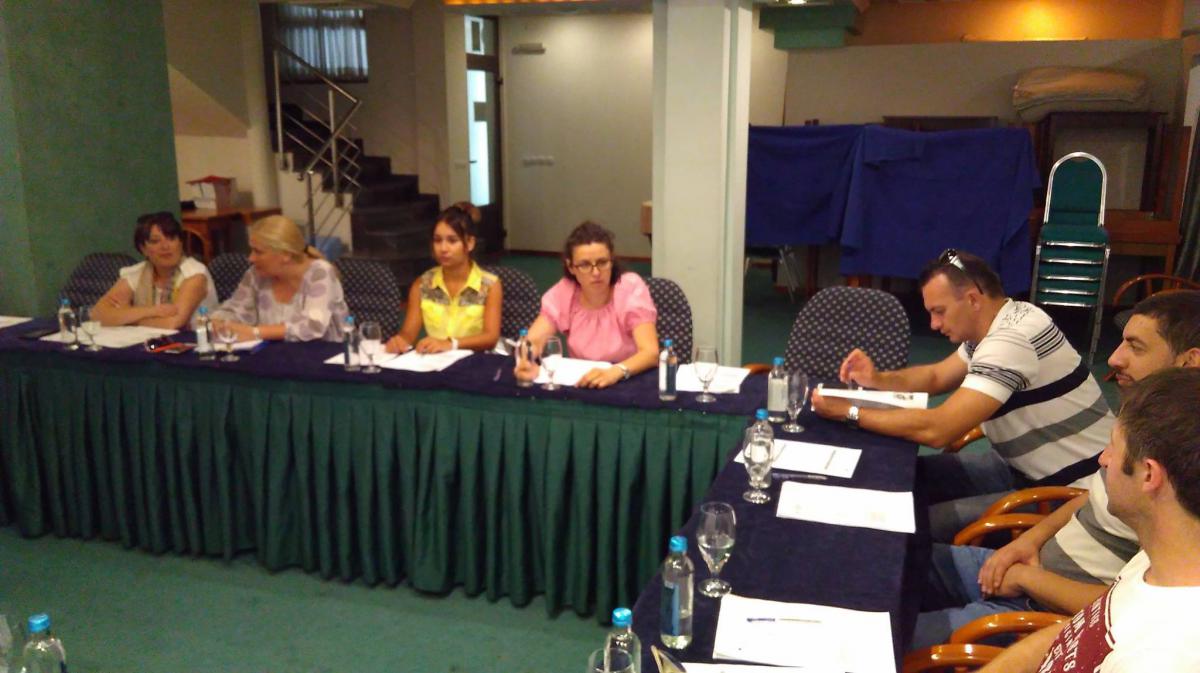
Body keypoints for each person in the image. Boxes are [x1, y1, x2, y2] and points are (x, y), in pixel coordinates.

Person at [911, 290, 1200, 650]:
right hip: (1033, 565)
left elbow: (1133, 609)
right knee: (888, 559)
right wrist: (1031, 541)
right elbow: (1091, 496)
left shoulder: (1181, 475)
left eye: (1136, 347)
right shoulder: (1146, 419)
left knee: (882, 640)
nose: (1113, 358)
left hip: (1039, 614)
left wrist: (1028, 580)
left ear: (1190, 361)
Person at [811, 249, 1113, 542]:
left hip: (1072, 493)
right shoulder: (1007, 319)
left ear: (972, 299)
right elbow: (937, 376)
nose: (934, 324)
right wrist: (877, 379)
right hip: (1023, 467)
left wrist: (849, 412)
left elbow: (937, 430)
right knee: (900, 476)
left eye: (939, 311)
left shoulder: (1010, 341)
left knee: (914, 525)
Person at [975, 368, 1200, 673]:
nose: (1103, 459)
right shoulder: (1160, 556)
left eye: (1113, 447)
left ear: (1149, 475)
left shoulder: (1161, 658)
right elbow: (1076, 634)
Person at [514, 221, 659, 388]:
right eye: (584, 265)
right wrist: (526, 360)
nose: (596, 273)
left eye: (602, 262)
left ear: (612, 261)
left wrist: (615, 372)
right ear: (571, 267)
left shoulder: (630, 288)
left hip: (628, 379)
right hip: (583, 383)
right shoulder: (565, 291)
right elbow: (532, 340)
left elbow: (650, 353)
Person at [385, 205, 502, 353]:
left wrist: (451, 344)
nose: (443, 248)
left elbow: (490, 338)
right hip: (436, 360)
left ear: (470, 243)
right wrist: (400, 341)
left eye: (452, 241)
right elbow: (408, 335)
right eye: (437, 240)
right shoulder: (423, 284)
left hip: (476, 360)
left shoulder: (489, 285)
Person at [211, 215, 348, 342]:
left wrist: (255, 332)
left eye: (258, 252)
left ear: (286, 254)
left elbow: (312, 326)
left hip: (324, 355)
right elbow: (237, 312)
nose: (251, 258)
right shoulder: (255, 274)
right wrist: (218, 321)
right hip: (272, 354)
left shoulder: (320, 273)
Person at [92, 211, 218, 329]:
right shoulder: (136, 273)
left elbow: (172, 323)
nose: (165, 246)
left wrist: (126, 317)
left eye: (171, 238)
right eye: (155, 241)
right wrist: (152, 311)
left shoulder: (195, 274)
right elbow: (98, 315)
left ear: (180, 243)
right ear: (143, 249)